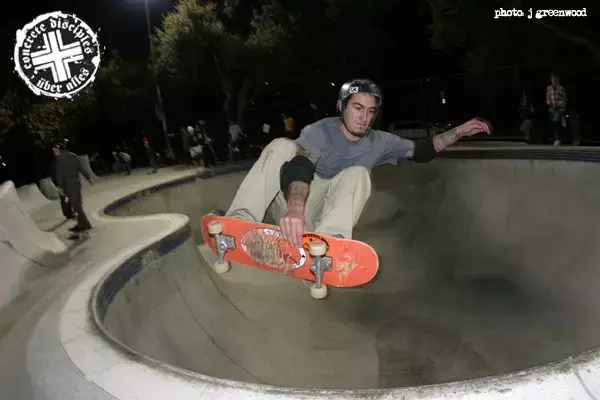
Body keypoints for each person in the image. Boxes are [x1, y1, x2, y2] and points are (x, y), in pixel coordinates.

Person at [225, 79, 492, 248]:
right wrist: (295, 209)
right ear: (342, 107)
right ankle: (237, 223)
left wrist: (458, 132)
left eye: (370, 111)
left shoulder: (381, 141)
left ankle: (328, 246)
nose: (364, 118)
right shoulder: (321, 130)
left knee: (359, 173)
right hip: (293, 205)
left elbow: (422, 150)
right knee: (282, 145)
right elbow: (300, 165)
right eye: (357, 108)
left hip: (325, 214)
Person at [52, 139, 94, 233]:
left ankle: (85, 224)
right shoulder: (74, 155)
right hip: (77, 181)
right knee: (77, 203)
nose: (55, 152)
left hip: (69, 184)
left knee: (76, 205)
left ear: (59, 149)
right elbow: (81, 168)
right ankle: (81, 223)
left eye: (55, 150)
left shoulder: (59, 159)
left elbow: (60, 174)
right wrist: (89, 178)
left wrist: (60, 187)